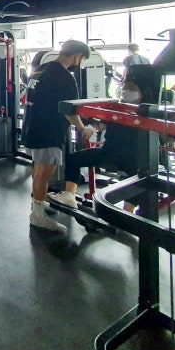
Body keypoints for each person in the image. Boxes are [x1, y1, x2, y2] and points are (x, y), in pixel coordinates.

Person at [48, 64, 160, 214]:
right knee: (73, 159)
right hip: (109, 151)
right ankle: (69, 195)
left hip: (134, 158)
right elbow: (101, 125)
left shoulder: (149, 113)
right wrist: (89, 126)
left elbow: (164, 135)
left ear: (143, 92)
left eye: (131, 88)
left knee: (139, 176)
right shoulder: (117, 107)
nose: (126, 91)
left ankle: (128, 212)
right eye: (125, 87)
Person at [22, 39, 95, 234]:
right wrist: (83, 129)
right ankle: (38, 216)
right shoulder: (63, 76)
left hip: (31, 127)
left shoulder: (41, 69)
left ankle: (38, 204)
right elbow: (69, 111)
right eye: (81, 59)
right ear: (77, 56)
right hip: (48, 131)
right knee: (44, 173)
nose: (79, 64)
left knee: (38, 169)